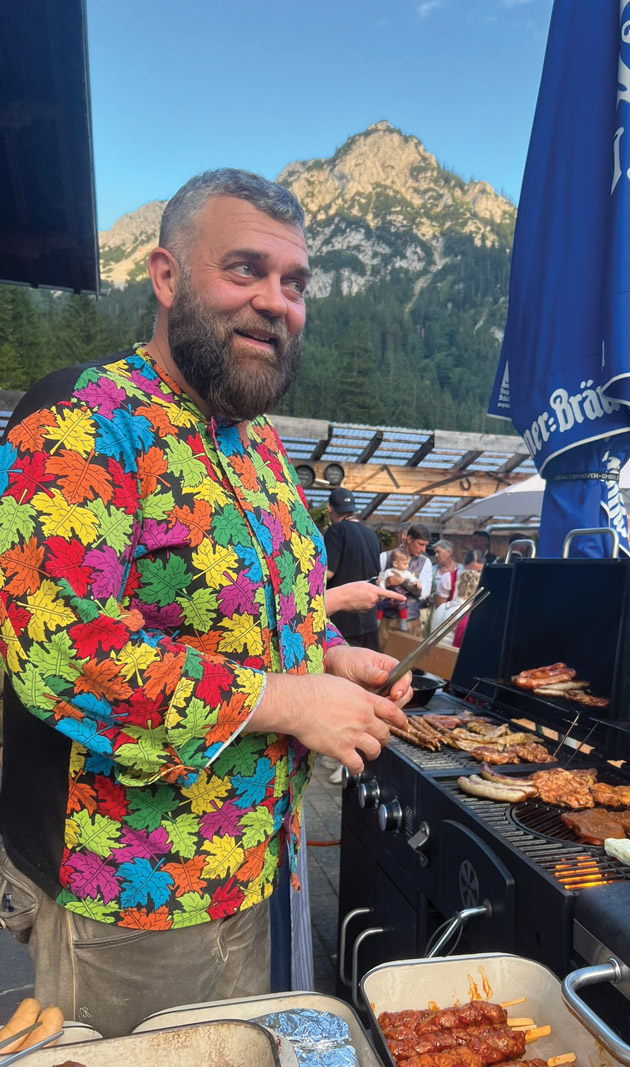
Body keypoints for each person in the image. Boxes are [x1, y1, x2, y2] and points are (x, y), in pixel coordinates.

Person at [0, 168, 411, 1037]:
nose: (275, 302)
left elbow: (269, 610)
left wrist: (329, 656)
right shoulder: (83, 418)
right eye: (244, 270)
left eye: (293, 284)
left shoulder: (259, 446)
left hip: (257, 866)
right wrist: (292, 699)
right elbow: (64, 653)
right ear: (166, 275)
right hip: (127, 894)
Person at [324, 488, 382, 651]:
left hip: (343, 620)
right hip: (369, 619)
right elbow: (377, 577)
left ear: (330, 509)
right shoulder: (371, 534)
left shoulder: (336, 531)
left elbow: (328, 573)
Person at [377, 523, 432, 643]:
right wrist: (385, 583)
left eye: (425, 546)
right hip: (386, 621)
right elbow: (374, 585)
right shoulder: (386, 557)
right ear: (409, 539)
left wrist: (401, 581)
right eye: (421, 544)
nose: (423, 550)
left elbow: (423, 593)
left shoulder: (425, 562)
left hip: (411, 622)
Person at [430, 540, 461, 631]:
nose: (436, 555)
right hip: (435, 610)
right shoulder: (433, 570)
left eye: (438, 552)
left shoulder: (460, 569)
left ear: (448, 552)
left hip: (456, 612)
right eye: (435, 552)